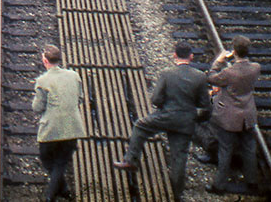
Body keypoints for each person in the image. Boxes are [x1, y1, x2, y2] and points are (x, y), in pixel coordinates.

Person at [112, 43, 209, 201]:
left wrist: (165, 107)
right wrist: (193, 117)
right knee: (179, 157)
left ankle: (131, 160)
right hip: (186, 121)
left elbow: (156, 99)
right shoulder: (200, 76)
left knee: (140, 126)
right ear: (191, 56)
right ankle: (176, 194)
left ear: (174, 55)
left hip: (166, 116)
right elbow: (205, 106)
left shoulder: (167, 73)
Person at [206, 36, 261, 194]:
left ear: (234, 51)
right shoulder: (256, 68)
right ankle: (252, 182)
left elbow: (212, 77)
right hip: (248, 116)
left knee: (225, 150)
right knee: (249, 149)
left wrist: (219, 61)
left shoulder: (229, 72)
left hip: (229, 118)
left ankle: (219, 185)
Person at [32, 45, 86, 202]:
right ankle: (64, 190)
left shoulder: (42, 81)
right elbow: (80, 98)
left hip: (50, 130)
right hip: (72, 128)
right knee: (61, 162)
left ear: (45, 61)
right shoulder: (74, 76)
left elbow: (37, 108)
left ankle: (50, 196)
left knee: (47, 159)